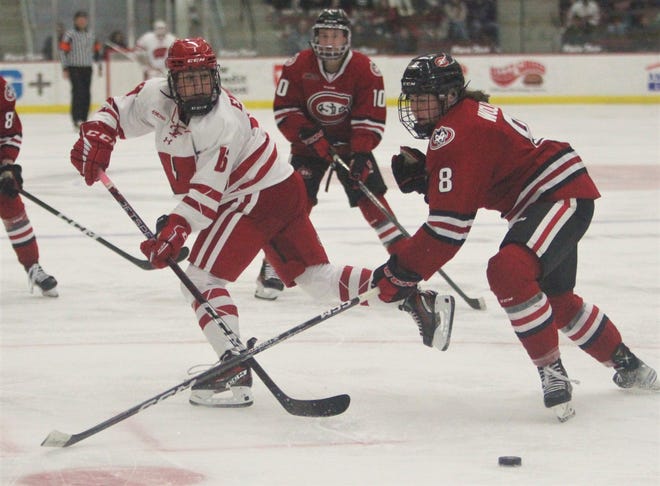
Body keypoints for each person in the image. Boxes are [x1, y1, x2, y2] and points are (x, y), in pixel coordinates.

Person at [69, 38, 455, 408]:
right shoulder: (156, 96)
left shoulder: (222, 122)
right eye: (188, 79)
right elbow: (119, 110)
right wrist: (98, 132)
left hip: (253, 196)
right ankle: (415, 299)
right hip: (280, 188)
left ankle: (233, 367)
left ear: (215, 76)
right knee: (317, 277)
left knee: (202, 279)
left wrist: (177, 228)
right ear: (172, 81)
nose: (199, 87)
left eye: (204, 77)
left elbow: (206, 196)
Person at [376, 52, 659, 422]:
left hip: (556, 196)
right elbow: (475, 181)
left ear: (447, 96)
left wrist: (401, 272)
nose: (415, 106)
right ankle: (631, 366)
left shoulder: (454, 131)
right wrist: (430, 179)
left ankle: (551, 371)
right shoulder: (464, 118)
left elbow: (448, 230)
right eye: (412, 97)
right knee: (557, 302)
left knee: (508, 271)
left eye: (423, 97)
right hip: (553, 196)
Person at [260, 8, 407, 300]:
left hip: (351, 147)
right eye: (324, 35)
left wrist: (361, 152)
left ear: (346, 38)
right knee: (296, 204)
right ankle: (273, 266)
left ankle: (405, 257)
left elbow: (370, 115)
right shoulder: (297, 65)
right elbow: (285, 110)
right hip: (308, 147)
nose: (329, 41)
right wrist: (308, 134)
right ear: (314, 37)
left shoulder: (365, 69)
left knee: (371, 196)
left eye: (335, 35)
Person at [0, 76, 58, 297]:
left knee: (12, 207)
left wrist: (7, 166)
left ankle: (32, 265)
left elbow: (10, 133)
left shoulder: (1, 88)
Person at [58, 10, 102, 130]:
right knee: (77, 92)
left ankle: (84, 118)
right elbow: (62, 51)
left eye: (84, 19)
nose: (82, 22)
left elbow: (97, 49)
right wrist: (65, 67)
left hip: (87, 67)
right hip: (74, 67)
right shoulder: (69, 35)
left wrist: (99, 63)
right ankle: (76, 119)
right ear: (75, 21)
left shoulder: (91, 34)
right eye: (79, 19)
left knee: (86, 93)